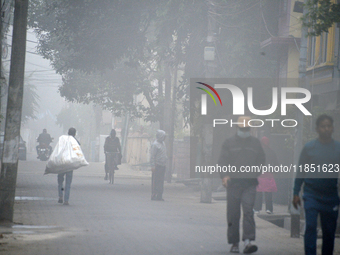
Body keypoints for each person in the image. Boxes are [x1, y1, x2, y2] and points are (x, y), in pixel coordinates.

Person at [293, 114, 340, 255]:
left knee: (329, 231)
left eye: (328, 126)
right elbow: (300, 171)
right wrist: (296, 192)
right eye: (323, 126)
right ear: (317, 129)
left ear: (332, 128)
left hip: (331, 197)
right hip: (311, 194)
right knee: (311, 226)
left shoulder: (337, 148)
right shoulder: (309, 148)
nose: (326, 129)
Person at [218, 116, 265, 254]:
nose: (244, 131)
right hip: (233, 184)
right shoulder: (229, 143)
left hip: (249, 184)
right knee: (233, 214)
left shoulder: (256, 144)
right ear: (237, 128)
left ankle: (248, 242)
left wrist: (254, 173)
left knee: (248, 211)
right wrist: (225, 175)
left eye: (246, 129)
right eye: (242, 128)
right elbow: (222, 162)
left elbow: (261, 161)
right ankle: (234, 243)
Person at [254, 136, 278, 214]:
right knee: (268, 191)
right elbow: (276, 163)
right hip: (269, 174)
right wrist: (274, 171)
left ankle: (257, 208)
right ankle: (269, 209)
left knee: (258, 191)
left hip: (260, 174)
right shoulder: (271, 152)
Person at [58, 127, 79, 205]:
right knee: (68, 183)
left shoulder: (63, 140)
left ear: (68, 133)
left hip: (62, 163)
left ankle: (60, 196)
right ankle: (66, 200)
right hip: (70, 164)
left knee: (60, 181)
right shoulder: (76, 142)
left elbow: (58, 150)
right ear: (75, 134)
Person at [150, 130, 167, 201]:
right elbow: (152, 156)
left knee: (161, 181)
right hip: (157, 165)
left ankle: (160, 195)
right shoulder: (155, 144)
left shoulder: (163, 143)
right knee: (155, 181)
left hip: (163, 165)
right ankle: (154, 194)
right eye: (164, 136)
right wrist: (153, 166)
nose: (165, 138)